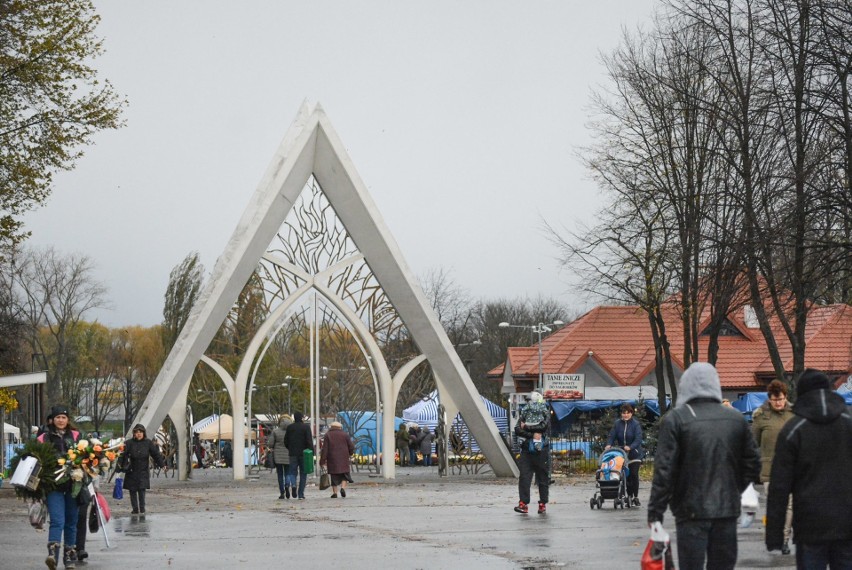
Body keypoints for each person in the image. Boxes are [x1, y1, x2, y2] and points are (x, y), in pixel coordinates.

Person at [647, 362, 760, 570]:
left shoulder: (676, 419)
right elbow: (752, 462)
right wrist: (741, 490)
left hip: (689, 511)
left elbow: (664, 470)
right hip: (726, 510)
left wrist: (655, 513)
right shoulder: (736, 419)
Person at [766, 369, 852, 568]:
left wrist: (774, 535)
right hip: (848, 523)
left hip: (810, 525)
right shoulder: (848, 425)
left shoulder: (793, 430)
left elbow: (779, 488)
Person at [751, 379, 795, 555]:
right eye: (775, 399)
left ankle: (784, 539)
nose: (779, 403)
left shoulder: (793, 415)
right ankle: (777, 535)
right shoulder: (760, 417)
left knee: (791, 506)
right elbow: (752, 444)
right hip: (769, 471)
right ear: (769, 399)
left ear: (786, 397)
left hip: (792, 470)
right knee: (776, 505)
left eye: (781, 399)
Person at [37, 405, 81, 569]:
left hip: (73, 484)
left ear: (67, 420)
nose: (60, 420)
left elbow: (85, 458)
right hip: (53, 485)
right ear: (52, 420)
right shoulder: (44, 437)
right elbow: (36, 458)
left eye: (63, 417)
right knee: (57, 520)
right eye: (57, 417)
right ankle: (52, 555)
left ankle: (69, 555)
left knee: (71, 521)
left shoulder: (76, 436)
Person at [514, 391, 550, 515]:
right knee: (524, 477)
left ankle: (542, 503)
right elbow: (517, 429)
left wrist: (527, 428)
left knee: (542, 478)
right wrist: (532, 434)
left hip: (541, 451)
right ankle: (523, 503)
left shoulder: (545, 412)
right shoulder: (524, 413)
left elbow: (543, 427)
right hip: (526, 450)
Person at [119, 424, 167, 514]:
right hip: (131, 470)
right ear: (134, 433)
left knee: (142, 489)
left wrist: (162, 465)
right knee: (132, 490)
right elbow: (122, 455)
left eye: (140, 432)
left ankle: (142, 508)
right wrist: (120, 466)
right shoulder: (129, 443)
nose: (138, 434)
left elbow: (156, 454)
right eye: (137, 432)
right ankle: (135, 508)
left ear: (143, 433)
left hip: (143, 470)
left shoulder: (148, 443)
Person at [605, 403, 643, 506]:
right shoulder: (617, 424)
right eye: (623, 413)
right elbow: (612, 435)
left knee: (633, 475)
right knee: (625, 476)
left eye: (628, 413)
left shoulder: (635, 424)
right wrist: (609, 444)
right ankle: (626, 496)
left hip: (634, 454)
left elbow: (638, 438)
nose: (625, 415)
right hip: (622, 454)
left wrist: (631, 447)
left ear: (631, 413)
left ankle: (635, 496)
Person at [320, 421, 355, 498]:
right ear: (340, 427)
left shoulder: (327, 435)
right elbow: (351, 446)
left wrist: (322, 460)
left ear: (331, 427)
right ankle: (342, 488)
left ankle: (335, 493)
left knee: (334, 476)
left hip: (332, 459)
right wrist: (350, 453)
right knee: (344, 475)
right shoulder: (345, 435)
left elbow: (325, 449)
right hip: (344, 458)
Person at [284, 411, 314, 500]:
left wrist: (290, 448)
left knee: (292, 472)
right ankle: (301, 494)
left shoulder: (290, 427)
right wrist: (311, 451)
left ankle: (293, 485)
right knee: (303, 473)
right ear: (301, 418)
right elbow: (309, 440)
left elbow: (286, 441)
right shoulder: (306, 427)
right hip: (304, 454)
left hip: (292, 453)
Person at [267, 415, 293, 499]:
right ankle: (287, 485)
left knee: (280, 475)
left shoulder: (275, 431)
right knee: (288, 473)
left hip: (278, 456)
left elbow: (270, 444)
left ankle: (282, 492)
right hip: (289, 455)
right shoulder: (291, 432)